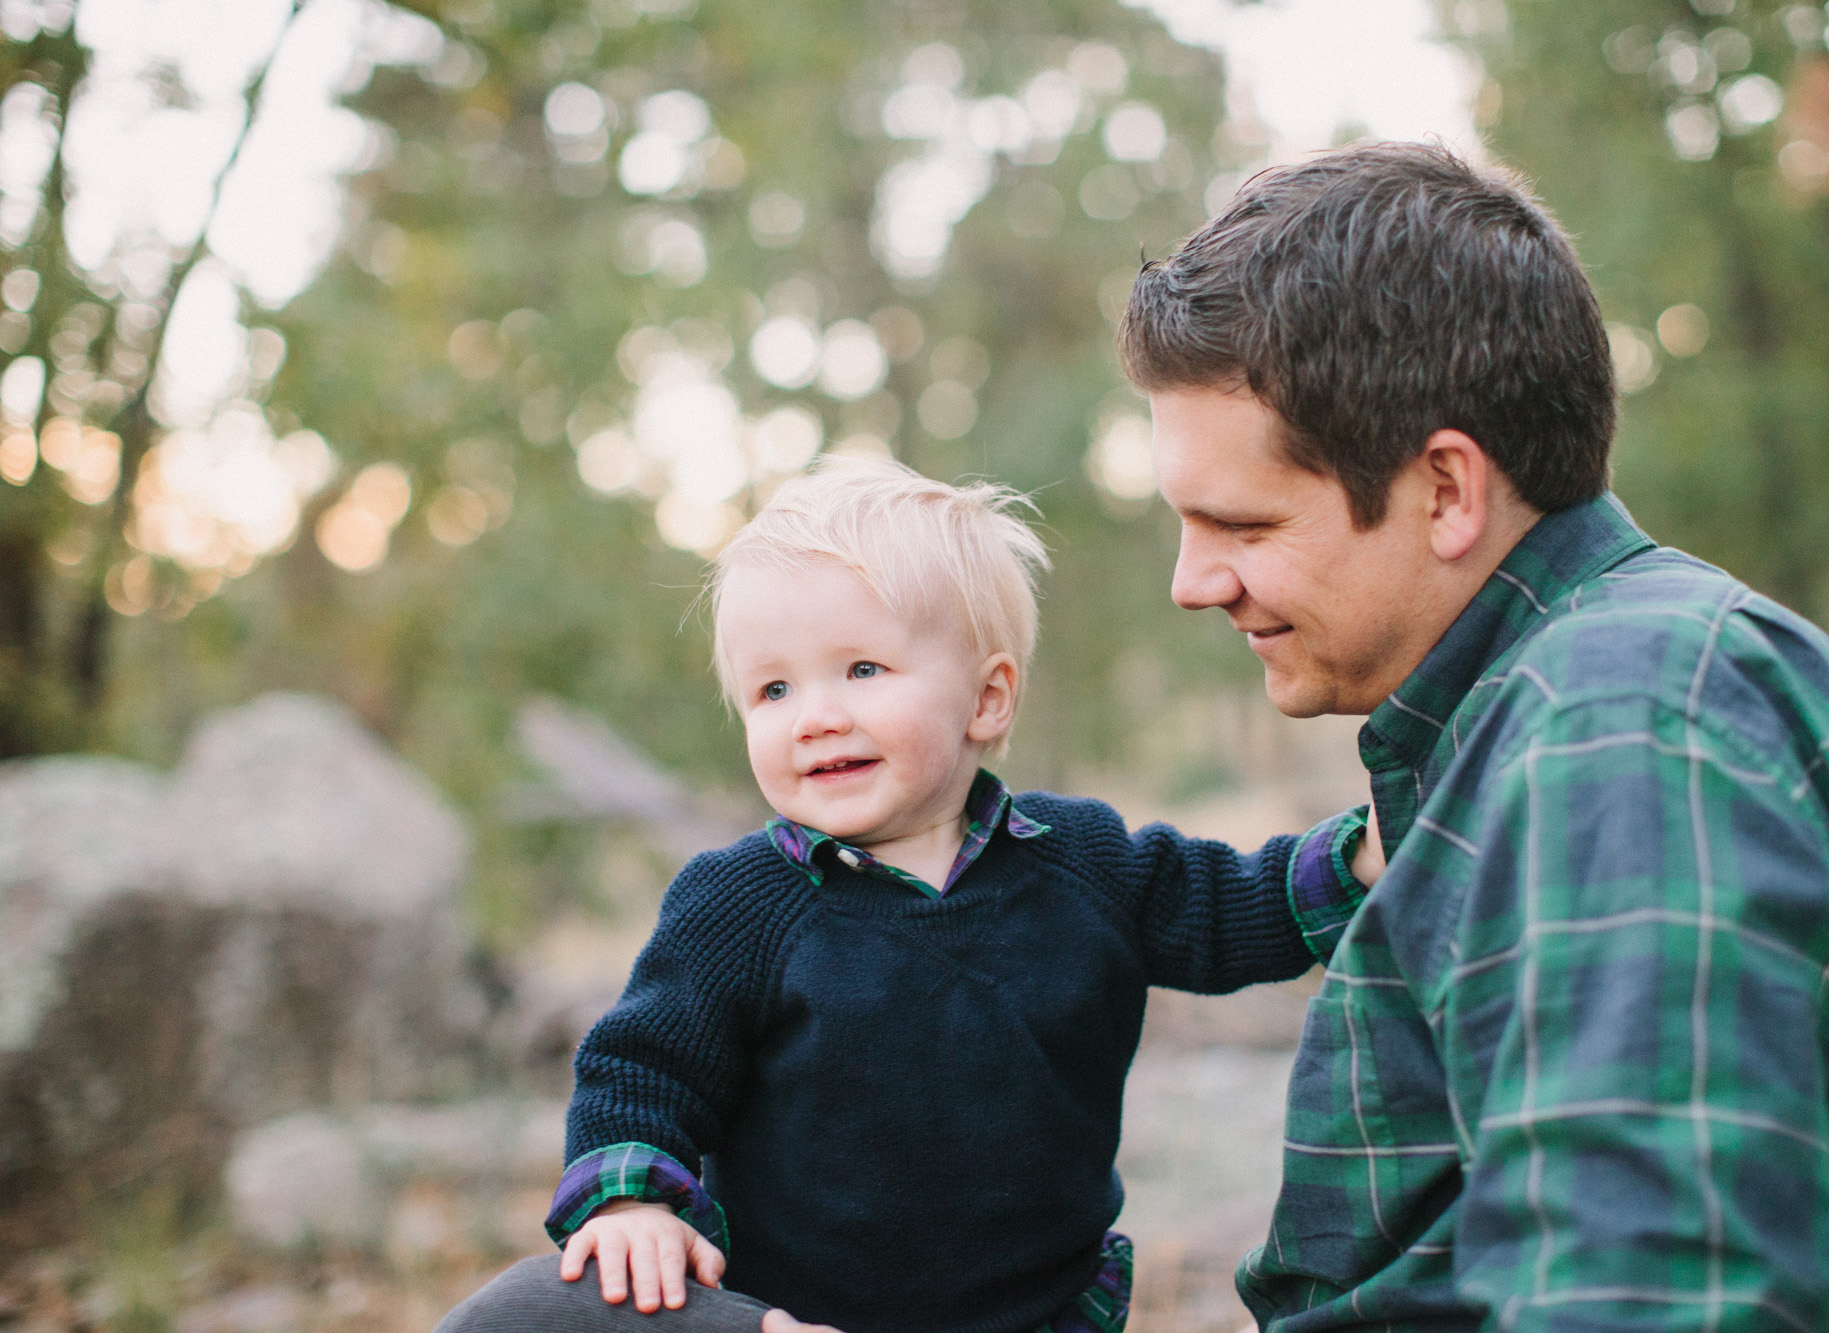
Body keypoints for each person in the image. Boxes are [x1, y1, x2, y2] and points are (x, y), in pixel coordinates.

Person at [1109, 141, 1829, 1331]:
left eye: (1239, 521)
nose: (1191, 581)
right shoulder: (1565, 706)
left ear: (1444, 491)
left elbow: (1647, 1298)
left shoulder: (1622, 727)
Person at [437, 463, 1348, 1333]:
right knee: (526, 1312)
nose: (815, 714)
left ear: (987, 699)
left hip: (1031, 1312)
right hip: (789, 1311)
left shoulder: (1081, 863)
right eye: (773, 688)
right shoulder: (741, 904)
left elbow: (1235, 905)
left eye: (862, 670)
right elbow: (643, 1070)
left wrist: (1368, 854)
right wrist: (634, 1197)